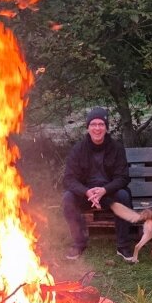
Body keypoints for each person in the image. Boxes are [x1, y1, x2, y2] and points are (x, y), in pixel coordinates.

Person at [61, 107, 135, 261]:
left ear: (106, 127)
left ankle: (123, 245)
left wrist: (104, 190)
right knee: (68, 198)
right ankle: (78, 243)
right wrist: (86, 192)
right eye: (93, 124)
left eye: (101, 124)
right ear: (88, 127)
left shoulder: (116, 148)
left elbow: (123, 177)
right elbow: (68, 179)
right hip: (86, 195)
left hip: (109, 193)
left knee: (123, 195)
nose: (97, 128)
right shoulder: (78, 149)